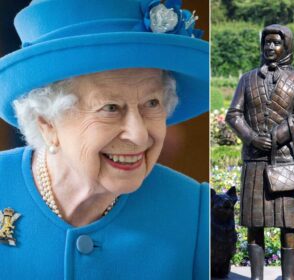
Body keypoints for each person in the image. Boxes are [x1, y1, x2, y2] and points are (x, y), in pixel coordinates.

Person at [0, 0, 209, 279]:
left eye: (151, 103)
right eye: (110, 108)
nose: (138, 135)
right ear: (47, 123)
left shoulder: (196, 213)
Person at [226, 24, 294, 280]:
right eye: (266, 43)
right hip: (254, 159)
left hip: (285, 160)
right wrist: (252, 138)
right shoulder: (247, 79)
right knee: (255, 224)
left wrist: (274, 138)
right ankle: (256, 277)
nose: (270, 48)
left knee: (288, 224)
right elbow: (234, 114)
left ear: (287, 46)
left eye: (276, 43)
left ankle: (288, 278)